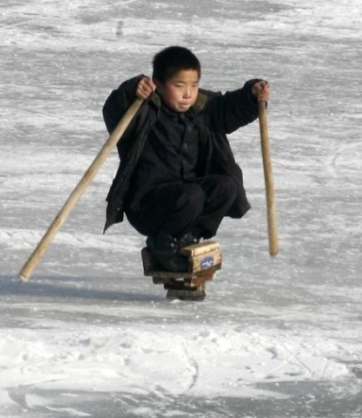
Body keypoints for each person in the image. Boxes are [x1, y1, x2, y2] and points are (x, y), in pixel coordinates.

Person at [102, 46, 270, 271]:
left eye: (194, 85)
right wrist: (134, 89)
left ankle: (188, 237)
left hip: (187, 200)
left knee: (226, 186)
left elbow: (229, 108)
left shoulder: (202, 110)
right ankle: (163, 243)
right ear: (158, 85)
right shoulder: (144, 112)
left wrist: (252, 94)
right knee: (191, 195)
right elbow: (115, 109)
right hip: (148, 205)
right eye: (179, 86)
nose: (188, 94)